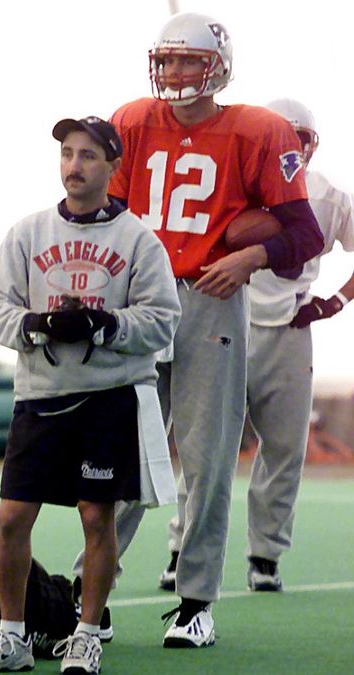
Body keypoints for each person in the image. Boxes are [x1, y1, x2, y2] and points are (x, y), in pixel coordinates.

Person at [67, 13, 324, 648]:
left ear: (218, 66)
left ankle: (195, 600)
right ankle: (85, 593)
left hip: (210, 298)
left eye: (189, 61)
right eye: (169, 60)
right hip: (139, 299)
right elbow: (103, 213)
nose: (176, 73)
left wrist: (250, 256)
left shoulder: (258, 130)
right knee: (117, 454)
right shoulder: (130, 120)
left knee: (209, 459)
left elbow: (305, 233)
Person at [0, 117, 179, 675]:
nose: (74, 166)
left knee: (95, 517)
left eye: (87, 156)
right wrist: (35, 325)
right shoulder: (29, 232)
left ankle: (86, 634)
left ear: (112, 167)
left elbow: (162, 320)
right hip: (39, 395)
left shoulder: (138, 240)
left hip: (108, 396)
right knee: (11, 517)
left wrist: (106, 325)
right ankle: (12, 637)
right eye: (67, 154)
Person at [157, 98, 354, 594]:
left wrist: (334, 302)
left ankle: (265, 553)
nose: (291, 149)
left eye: (300, 138)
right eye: (282, 136)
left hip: (289, 324)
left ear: (313, 144)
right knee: (203, 443)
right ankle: (182, 546)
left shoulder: (328, 197)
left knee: (285, 446)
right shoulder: (232, 183)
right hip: (222, 319)